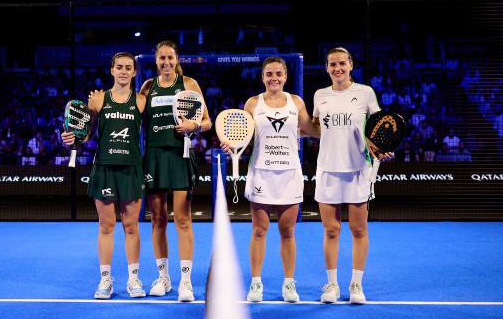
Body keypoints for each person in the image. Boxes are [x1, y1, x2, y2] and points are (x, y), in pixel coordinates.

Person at [221, 57, 319, 303]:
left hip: (289, 174)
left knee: (288, 231)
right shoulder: (253, 103)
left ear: (286, 77)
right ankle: (256, 284)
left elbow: (313, 130)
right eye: (269, 74)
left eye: (278, 73)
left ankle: (288, 284)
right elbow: (241, 133)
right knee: (259, 230)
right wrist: (231, 144)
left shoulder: (296, 102)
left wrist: (332, 120)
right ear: (262, 77)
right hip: (261, 173)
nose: (274, 77)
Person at [61, 52, 146, 300]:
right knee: (106, 226)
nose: (123, 71)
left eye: (128, 68)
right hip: (105, 168)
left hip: (131, 168)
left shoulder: (141, 101)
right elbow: (85, 134)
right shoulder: (98, 100)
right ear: (111, 70)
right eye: (119, 67)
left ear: (134, 72)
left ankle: (133, 279)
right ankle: (105, 280)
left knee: (131, 226)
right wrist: (72, 137)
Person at [312, 47, 393, 305]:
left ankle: (356, 284)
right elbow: (315, 126)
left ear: (351, 65)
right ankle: (332, 285)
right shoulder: (319, 95)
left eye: (342, 64)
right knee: (331, 230)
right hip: (327, 170)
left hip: (359, 170)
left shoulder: (365, 93)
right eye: (332, 64)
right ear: (326, 68)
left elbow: (379, 127)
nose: (338, 68)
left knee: (358, 229)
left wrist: (381, 148)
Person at [139, 40, 211, 302]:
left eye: (170, 58)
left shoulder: (189, 84)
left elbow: (207, 122)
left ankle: (186, 281)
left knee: (182, 219)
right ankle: (163, 278)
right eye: (162, 59)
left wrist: (193, 126)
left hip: (180, 157)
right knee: (158, 218)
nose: (166, 63)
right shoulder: (148, 87)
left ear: (176, 59)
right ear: (156, 61)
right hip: (155, 157)